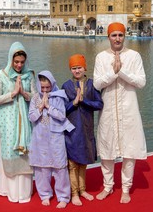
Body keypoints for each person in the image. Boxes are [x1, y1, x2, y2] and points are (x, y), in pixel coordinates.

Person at [93, 22, 147, 204]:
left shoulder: (134, 56)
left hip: (129, 110)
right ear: (108, 37)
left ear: (125, 36)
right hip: (107, 110)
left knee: (129, 151)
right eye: (113, 35)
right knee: (107, 152)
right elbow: (97, 84)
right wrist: (113, 73)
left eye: (120, 35)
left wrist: (121, 72)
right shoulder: (101, 57)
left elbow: (141, 82)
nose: (117, 39)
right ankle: (108, 186)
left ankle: (125, 188)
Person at [0, 41, 36, 203]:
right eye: (16, 62)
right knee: (9, 151)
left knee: (25, 152)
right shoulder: (1, 75)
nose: (19, 65)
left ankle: (23, 193)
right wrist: (12, 93)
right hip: (7, 121)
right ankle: (8, 190)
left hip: (25, 123)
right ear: (10, 59)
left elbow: (35, 96)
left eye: (22, 62)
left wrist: (24, 93)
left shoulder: (29, 75)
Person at [28, 70, 75, 208]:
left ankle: (63, 196)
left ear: (53, 84)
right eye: (42, 88)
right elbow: (31, 117)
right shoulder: (35, 98)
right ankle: (45, 194)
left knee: (60, 167)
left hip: (56, 137)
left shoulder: (59, 96)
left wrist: (48, 107)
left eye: (47, 87)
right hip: (40, 137)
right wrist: (40, 107)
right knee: (42, 168)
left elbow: (62, 116)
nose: (45, 91)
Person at [62, 54, 103, 206]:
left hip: (86, 129)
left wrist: (83, 101)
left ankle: (83, 189)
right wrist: (73, 103)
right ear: (70, 69)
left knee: (83, 162)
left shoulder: (92, 85)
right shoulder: (66, 86)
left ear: (85, 67)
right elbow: (62, 109)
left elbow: (99, 104)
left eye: (79, 67)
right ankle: (74, 193)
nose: (77, 71)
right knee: (72, 163)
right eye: (74, 68)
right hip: (72, 130)